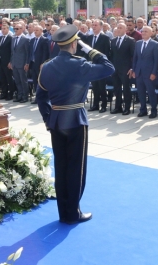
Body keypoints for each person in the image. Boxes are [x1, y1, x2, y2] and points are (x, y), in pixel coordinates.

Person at [36, 24, 114, 224]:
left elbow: (41, 97)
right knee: (76, 168)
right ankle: (73, 212)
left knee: (61, 167)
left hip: (56, 120)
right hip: (76, 120)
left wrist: (48, 119)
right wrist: (88, 48)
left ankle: (64, 212)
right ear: (74, 44)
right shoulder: (80, 64)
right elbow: (108, 67)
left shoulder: (47, 66)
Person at [132, 26, 158, 118]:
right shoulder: (138, 43)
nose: (143, 33)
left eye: (146, 31)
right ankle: (143, 109)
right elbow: (135, 58)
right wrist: (134, 70)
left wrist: (154, 73)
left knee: (151, 92)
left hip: (149, 73)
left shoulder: (155, 44)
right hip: (139, 72)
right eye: (142, 31)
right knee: (141, 92)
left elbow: (157, 60)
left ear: (151, 33)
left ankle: (153, 110)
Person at [110, 22, 135, 115]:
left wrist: (132, 68)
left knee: (126, 89)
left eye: (121, 27)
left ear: (125, 30)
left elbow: (134, 56)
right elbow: (111, 55)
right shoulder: (113, 40)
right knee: (117, 89)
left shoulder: (130, 40)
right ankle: (118, 107)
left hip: (126, 69)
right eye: (118, 27)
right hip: (115, 69)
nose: (118, 29)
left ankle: (127, 108)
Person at [87, 20, 111, 112]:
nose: (93, 27)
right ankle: (95, 105)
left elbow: (107, 53)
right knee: (95, 87)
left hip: (101, 66)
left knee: (102, 87)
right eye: (93, 25)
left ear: (101, 27)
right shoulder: (89, 38)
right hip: (92, 66)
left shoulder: (105, 38)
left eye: (95, 25)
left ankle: (104, 105)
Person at [9, 21, 30, 103]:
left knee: (23, 81)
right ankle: (19, 95)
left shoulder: (25, 39)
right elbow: (12, 52)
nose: (15, 30)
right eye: (14, 28)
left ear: (22, 29)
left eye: (17, 29)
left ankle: (25, 96)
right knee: (17, 81)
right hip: (14, 63)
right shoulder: (13, 38)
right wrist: (11, 62)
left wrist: (27, 63)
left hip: (22, 64)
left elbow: (28, 53)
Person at [28, 23, 50, 104]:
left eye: (37, 30)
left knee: (40, 82)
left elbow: (45, 53)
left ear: (41, 31)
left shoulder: (44, 40)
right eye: (34, 30)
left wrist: (43, 63)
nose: (35, 32)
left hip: (40, 64)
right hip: (33, 63)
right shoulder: (32, 40)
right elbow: (30, 53)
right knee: (35, 81)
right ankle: (37, 98)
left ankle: (42, 97)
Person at [0, 22, 14, 100]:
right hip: (0, 61)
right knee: (2, 78)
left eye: (4, 29)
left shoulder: (11, 38)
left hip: (7, 62)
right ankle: (4, 93)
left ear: (8, 29)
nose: (2, 30)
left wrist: (11, 61)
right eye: (1, 29)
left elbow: (12, 51)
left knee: (9, 78)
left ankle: (11, 93)